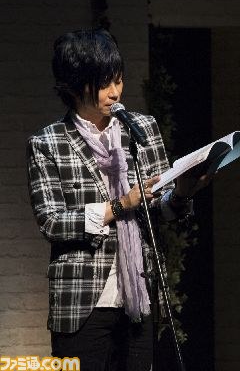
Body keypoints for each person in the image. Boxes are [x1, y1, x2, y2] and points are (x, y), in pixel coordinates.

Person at [26, 29, 210, 370]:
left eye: (119, 80)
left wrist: (183, 192)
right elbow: (51, 222)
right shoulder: (48, 143)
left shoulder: (142, 129)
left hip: (139, 295)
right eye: (104, 83)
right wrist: (121, 204)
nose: (115, 92)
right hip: (81, 303)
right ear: (75, 86)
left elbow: (158, 210)